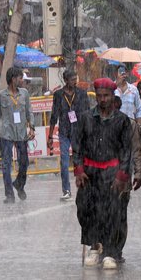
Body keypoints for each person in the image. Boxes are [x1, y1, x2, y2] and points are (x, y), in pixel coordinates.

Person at [73, 78, 133, 270]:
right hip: (90, 173)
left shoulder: (122, 120)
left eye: (106, 96)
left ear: (112, 96)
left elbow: (126, 150)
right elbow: (78, 146)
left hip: (112, 173)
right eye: (99, 96)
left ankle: (110, 252)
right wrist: (79, 169)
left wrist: (122, 175)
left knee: (112, 212)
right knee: (86, 209)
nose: (102, 99)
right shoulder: (86, 118)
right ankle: (94, 246)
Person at [0, 67, 35, 203]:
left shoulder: (25, 94)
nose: (22, 80)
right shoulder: (1, 96)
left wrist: (31, 128)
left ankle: (19, 184)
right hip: (6, 133)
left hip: (21, 133)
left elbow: (29, 112)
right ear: (13, 79)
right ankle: (9, 194)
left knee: (24, 162)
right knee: (6, 164)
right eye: (20, 78)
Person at [48, 70, 89, 201]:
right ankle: (66, 190)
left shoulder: (82, 94)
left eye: (75, 79)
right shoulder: (59, 95)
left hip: (79, 132)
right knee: (64, 162)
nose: (75, 82)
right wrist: (50, 136)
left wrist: (88, 131)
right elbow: (54, 115)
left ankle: (83, 188)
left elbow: (88, 113)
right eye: (72, 79)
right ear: (65, 80)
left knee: (80, 161)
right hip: (64, 132)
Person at [114, 65, 141, 186]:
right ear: (116, 73)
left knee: (133, 152)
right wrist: (117, 84)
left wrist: (139, 124)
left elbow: (139, 108)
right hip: (114, 126)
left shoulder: (133, 89)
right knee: (117, 154)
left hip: (131, 125)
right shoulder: (112, 89)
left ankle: (133, 177)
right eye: (121, 72)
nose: (123, 74)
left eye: (125, 71)